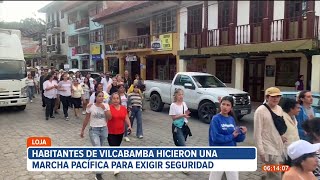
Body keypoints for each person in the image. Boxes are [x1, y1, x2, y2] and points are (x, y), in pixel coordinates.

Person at [208, 96, 247, 180]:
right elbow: (216, 138)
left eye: (228, 105)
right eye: (223, 104)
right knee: (215, 177)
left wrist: (242, 134)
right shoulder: (216, 119)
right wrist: (232, 136)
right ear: (220, 105)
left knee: (233, 177)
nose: (225, 107)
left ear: (231, 107)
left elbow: (237, 138)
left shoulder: (231, 119)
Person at [254, 87, 286, 180]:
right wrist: (261, 151)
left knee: (273, 172)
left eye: (278, 96)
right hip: (267, 147)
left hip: (278, 145)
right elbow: (257, 133)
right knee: (276, 175)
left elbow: (279, 125)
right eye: (273, 97)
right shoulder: (260, 111)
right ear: (267, 97)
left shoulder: (279, 109)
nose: (276, 99)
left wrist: (282, 136)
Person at [80, 91, 111, 180]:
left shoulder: (106, 106)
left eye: (102, 96)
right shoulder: (90, 106)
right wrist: (82, 130)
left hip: (104, 130)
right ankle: (98, 173)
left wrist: (104, 109)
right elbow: (86, 118)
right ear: (95, 97)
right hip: (94, 130)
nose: (101, 98)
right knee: (98, 148)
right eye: (99, 96)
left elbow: (110, 117)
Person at [107, 92, 132, 176]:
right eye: (114, 98)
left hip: (120, 132)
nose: (116, 100)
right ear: (111, 99)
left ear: (120, 99)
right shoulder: (109, 108)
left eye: (117, 98)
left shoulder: (123, 108)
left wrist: (129, 125)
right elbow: (106, 119)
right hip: (110, 132)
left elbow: (126, 117)